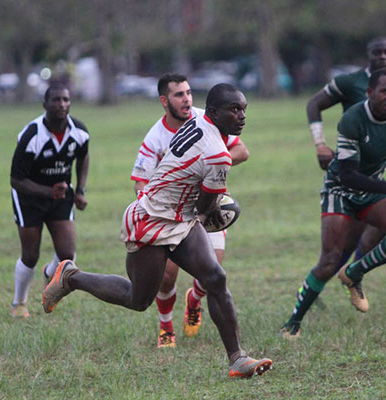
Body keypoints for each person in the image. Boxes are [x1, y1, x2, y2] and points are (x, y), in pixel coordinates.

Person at [42, 84, 272, 379]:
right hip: (152, 220)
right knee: (138, 300)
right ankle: (71, 277)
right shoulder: (218, 155)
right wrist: (219, 212)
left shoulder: (201, 120)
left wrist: (206, 211)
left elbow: (196, 209)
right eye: (234, 110)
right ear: (214, 112)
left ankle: (237, 358)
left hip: (181, 218)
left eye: (244, 109)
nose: (242, 116)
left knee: (215, 277)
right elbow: (204, 207)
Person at [281, 69, 386, 338]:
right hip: (340, 189)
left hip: (373, 187)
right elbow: (347, 175)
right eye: (385, 91)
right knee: (329, 261)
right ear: (370, 93)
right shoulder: (352, 119)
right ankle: (293, 324)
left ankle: (354, 272)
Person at [131, 73, 249, 347]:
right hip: (172, 213)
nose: (186, 99)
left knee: (213, 273)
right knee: (167, 277)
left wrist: (210, 167)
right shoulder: (155, 137)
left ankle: (194, 300)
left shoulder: (206, 118)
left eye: (188, 93)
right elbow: (140, 181)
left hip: (209, 204)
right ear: (164, 101)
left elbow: (242, 151)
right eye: (178, 95)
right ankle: (166, 327)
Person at [306, 37, 386, 280]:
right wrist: (320, 144)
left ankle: (352, 276)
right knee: (340, 247)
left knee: (378, 231)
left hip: (375, 174)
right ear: (368, 55)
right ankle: (322, 287)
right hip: (350, 169)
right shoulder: (349, 82)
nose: (383, 57)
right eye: (377, 52)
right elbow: (314, 104)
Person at [9, 83, 89, 318]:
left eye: (65, 99)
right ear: (45, 104)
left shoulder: (80, 132)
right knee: (30, 255)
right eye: (56, 100)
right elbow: (16, 179)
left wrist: (81, 190)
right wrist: (46, 192)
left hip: (61, 194)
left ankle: (50, 273)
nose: (62, 104)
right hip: (29, 197)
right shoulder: (31, 135)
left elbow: (83, 158)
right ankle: (19, 303)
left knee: (67, 255)